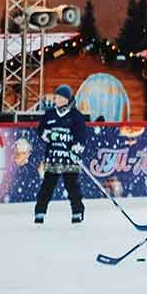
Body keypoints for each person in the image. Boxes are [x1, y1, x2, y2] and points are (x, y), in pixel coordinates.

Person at [34, 84, 92, 224]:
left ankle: (77, 212)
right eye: (56, 97)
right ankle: (40, 212)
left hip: (69, 159)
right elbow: (41, 131)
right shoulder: (50, 115)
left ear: (67, 99)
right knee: (48, 185)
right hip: (53, 157)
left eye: (60, 97)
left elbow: (81, 137)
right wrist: (49, 135)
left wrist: (75, 150)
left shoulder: (76, 116)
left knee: (72, 186)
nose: (57, 99)